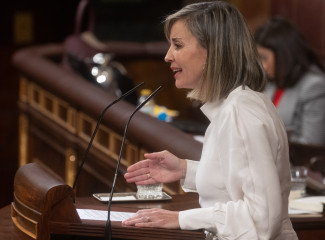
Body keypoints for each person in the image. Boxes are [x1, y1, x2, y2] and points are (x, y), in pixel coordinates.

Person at [122, 2, 298, 239]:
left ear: (213, 50)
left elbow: (262, 221)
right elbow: (236, 182)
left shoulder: (240, 112)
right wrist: (185, 169)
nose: (167, 56)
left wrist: (180, 219)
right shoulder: (238, 104)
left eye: (178, 45)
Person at [254, 17, 325, 145]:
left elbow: (310, 146)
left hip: (294, 162)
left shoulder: (315, 88)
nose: (262, 65)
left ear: (284, 55)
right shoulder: (273, 80)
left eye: (264, 58)